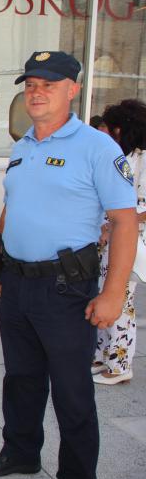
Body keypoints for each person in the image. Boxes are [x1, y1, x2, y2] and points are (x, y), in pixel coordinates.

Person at [0, 51, 137, 479]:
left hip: (66, 290)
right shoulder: (24, 145)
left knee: (72, 394)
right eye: (30, 85)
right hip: (18, 286)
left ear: (72, 90)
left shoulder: (97, 148)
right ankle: (22, 452)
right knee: (20, 380)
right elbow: (12, 205)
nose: (37, 93)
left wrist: (112, 293)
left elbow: (124, 220)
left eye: (48, 84)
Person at [92, 99, 146, 385]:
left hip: (130, 241)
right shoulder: (127, 157)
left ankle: (120, 364)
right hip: (112, 238)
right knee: (106, 294)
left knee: (122, 301)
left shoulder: (144, 158)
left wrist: (119, 223)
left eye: (113, 130)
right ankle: (103, 355)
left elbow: (141, 207)